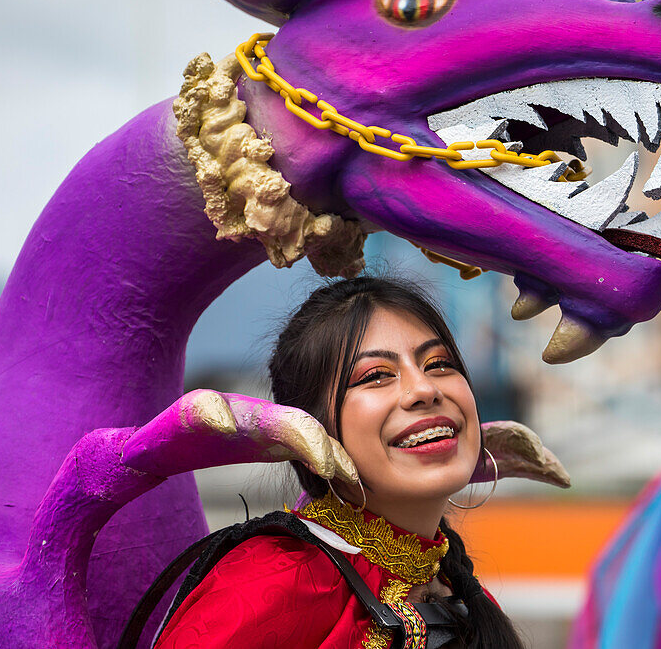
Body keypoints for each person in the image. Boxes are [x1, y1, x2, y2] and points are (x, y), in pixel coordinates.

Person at [154, 277, 525, 648]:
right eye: (377, 376)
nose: (426, 390)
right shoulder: (273, 581)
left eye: (439, 364)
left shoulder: (457, 586)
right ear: (313, 428)